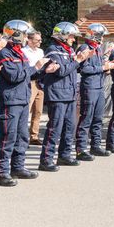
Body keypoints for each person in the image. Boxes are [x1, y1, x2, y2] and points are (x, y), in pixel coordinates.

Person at [0, 21, 55, 186]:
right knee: (8, 136)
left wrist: (44, 70)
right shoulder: (4, 54)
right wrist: (34, 66)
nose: (26, 37)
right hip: (11, 101)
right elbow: (14, 76)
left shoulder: (20, 53)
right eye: (24, 34)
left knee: (22, 136)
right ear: (15, 35)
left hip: (22, 99)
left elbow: (27, 75)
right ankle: (1, 172)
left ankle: (17, 167)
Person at [40, 22, 92, 171]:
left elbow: (75, 69)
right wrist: (77, 60)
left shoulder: (69, 50)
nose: (73, 40)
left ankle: (64, 155)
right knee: (54, 128)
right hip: (57, 94)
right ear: (62, 35)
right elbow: (61, 71)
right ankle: (46, 160)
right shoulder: (52, 50)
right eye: (71, 36)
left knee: (69, 127)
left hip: (69, 93)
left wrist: (84, 58)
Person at [75, 23, 114, 160]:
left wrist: (106, 64)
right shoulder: (85, 48)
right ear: (95, 36)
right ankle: (81, 149)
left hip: (98, 86)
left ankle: (96, 145)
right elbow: (84, 69)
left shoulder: (97, 48)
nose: (103, 39)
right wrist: (103, 68)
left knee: (98, 118)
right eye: (102, 36)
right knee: (86, 117)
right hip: (89, 86)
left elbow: (98, 66)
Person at [22, 30, 44, 146]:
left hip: (40, 83)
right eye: (37, 40)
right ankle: (23, 137)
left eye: (40, 40)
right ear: (29, 40)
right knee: (26, 111)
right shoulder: (23, 52)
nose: (40, 42)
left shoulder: (40, 51)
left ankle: (34, 136)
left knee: (38, 111)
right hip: (30, 82)